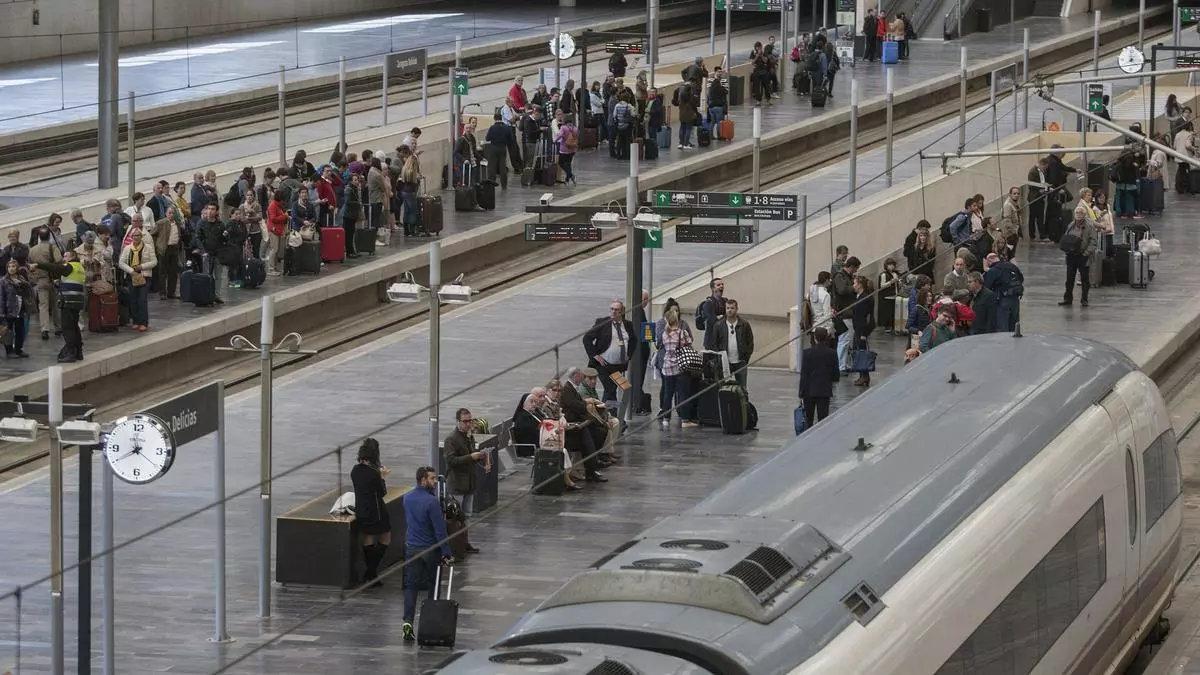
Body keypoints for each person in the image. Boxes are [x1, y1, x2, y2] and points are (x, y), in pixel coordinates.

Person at [400, 466, 453, 643]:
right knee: (434, 586)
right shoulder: (432, 502)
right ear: (423, 480)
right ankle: (429, 624)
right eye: (432, 479)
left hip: (412, 548)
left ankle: (407, 622)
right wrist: (446, 552)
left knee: (411, 586)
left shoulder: (407, 498)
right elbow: (440, 530)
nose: (435, 482)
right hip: (430, 549)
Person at [347, 437, 392, 587]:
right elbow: (382, 492)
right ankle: (371, 572)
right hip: (376, 510)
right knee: (385, 537)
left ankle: (370, 573)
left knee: (369, 538)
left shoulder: (355, 471)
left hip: (361, 509)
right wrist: (383, 476)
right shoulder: (374, 473)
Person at [582, 299, 638, 406]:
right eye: (612, 309)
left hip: (618, 366)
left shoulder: (628, 325)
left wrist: (628, 356)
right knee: (610, 388)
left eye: (616, 310)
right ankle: (612, 414)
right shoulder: (602, 323)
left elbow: (633, 340)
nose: (613, 312)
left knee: (611, 389)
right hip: (603, 364)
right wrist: (595, 355)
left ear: (622, 312)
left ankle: (605, 412)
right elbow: (587, 338)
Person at [32, 250, 85, 362]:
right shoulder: (79, 267)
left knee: (67, 327)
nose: (64, 258)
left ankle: (71, 352)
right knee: (75, 327)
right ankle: (78, 351)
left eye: (66, 256)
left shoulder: (69, 266)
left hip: (69, 301)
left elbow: (54, 267)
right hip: (78, 301)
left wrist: (38, 264)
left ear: (72, 257)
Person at [443, 408, 490, 528]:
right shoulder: (451, 439)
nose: (468, 424)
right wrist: (471, 456)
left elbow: (472, 454)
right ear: (458, 421)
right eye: (465, 421)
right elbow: (451, 461)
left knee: (467, 515)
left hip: (469, 483)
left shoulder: (469, 436)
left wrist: (481, 456)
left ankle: (464, 541)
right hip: (457, 484)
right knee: (455, 517)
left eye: (470, 421)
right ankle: (456, 543)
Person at [561, 368, 608, 482]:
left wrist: (584, 404)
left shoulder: (572, 388)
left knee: (600, 430)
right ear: (575, 376)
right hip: (572, 425)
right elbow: (576, 405)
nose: (582, 378)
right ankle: (591, 470)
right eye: (580, 376)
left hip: (579, 422)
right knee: (590, 438)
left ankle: (593, 465)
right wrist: (585, 404)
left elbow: (579, 404)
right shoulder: (567, 389)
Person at [656, 305, 699, 426]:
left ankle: (666, 419)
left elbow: (659, 344)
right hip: (680, 366)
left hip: (667, 366)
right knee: (683, 393)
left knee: (667, 394)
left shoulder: (664, 334)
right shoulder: (681, 332)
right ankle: (685, 419)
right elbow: (689, 342)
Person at [118, 220, 157, 332]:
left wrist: (142, 266)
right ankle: (136, 321)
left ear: (141, 236)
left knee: (142, 300)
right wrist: (131, 271)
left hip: (144, 276)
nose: (136, 238)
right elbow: (121, 263)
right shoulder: (127, 248)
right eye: (134, 236)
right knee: (133, 299)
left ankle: (143, 322)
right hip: (132, 276)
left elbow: (154, 262)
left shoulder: (148, 248)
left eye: (138, 236)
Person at [798, 326, 838, 427]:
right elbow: (836, 374)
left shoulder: (807, 353)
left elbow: (804, 374)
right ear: (826, 338)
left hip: (809, 391)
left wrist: (801, 392)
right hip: (824, 390)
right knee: (823, 421)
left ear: (815, 338)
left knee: (809, 420)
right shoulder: (832, 353)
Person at [1058, 209, 1097, 307]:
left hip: (1083, 255)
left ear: (1084, 215)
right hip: (1071, 255)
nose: (1079, 215)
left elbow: (1093, 242)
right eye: (1077, 213)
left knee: (1085, 279)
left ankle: (1084, 299)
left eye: (1081, 213)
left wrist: (1086, 254)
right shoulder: (1071, 225)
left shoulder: (1089, 226)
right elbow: (1066, 238)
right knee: (1069, 279)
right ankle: (1067, 299)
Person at [28, 228, 62, 340]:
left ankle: (44, 329)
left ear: (39, 237)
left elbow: (30, 265)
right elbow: (59, 261)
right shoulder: (52, 247)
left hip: (40, 280)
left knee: (43, 306)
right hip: (52, 279)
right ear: (49, 236)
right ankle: (58, 327)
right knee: (56, 305)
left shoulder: (32, 250)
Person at [714, 298, 754, 389]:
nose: (729, 310)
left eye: (732, 308)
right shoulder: (719, 325)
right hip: (725, 362)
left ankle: (743, 403)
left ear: (736, 309)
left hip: (740, 361)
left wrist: (745, 358)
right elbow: (715, 343)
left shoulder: (744, 324)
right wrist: (720, 360)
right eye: (727, 308)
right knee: (723, 388)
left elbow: (750, 342)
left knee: (742, 388)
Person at [830, 256, 859, 372]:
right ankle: (840, 366)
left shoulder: (847, 276)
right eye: (855, 269)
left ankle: (844, 364)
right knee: (844, 340)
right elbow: (841, 290)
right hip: (843, 312)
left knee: (848, 341)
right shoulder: (839, 276)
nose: (856, 271)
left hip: (848, 311)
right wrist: (853, 287)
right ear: (851, 267)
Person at [983, 251, 1024, 331]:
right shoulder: (1012, 266)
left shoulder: (993, 270)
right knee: (1014, 327)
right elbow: (1021, 279)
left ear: (989, 260)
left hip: (1002, 301)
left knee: (1002, 328)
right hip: (1015, 300)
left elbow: (986, 288)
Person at [1, 259, 32, 358]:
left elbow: (28, 293)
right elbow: (1, 297)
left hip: (20, 309)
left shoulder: (22, 279)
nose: (11, 269)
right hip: (9, 309)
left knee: (20, 331)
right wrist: (1, 313)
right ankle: (9, 351)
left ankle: (18, 349)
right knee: (8, 331)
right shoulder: (3, 281)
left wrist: (23, 284)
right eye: (9, 267)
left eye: (13, 266)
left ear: (17, 268)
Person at [149, 206, 182, 300]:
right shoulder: (161, 223)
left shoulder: (177, 223)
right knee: (162, 272)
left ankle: (171, 292)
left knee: (173, 272)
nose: (171, 215)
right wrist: (157, 245)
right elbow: (152, 234)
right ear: (166, 214)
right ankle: (162, 292)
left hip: (174, 248)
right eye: (170, 213)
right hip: (164, 249)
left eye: (173, 213)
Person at [484, 112, 521, 190]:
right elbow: (511, 139)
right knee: (502, 167)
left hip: (493, 148)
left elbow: (487, 138)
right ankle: (504, 185)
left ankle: (491, 184)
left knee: (492, 167)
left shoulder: (492, 127)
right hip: (503, 148)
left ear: (494, 118)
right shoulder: (506, 127)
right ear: (501, 118)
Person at [850, 275, 875, 387]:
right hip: (858, 328)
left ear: (860, 285)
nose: (853, 286)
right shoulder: (859, 296)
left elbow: (866, 317)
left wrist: (864, 333)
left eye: (854, 283)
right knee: (858, 351)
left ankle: (864, 375)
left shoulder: (865, 298)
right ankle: (862, 375)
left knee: (861, 351)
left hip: (861, 329)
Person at [697, 277, 726, 350]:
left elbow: (730, 317)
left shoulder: (725, 301)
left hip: (723, 339)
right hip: (711, 341)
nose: (721, 286)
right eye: (718, 285)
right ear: (713, 288)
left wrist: (720, 317)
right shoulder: (708, 303)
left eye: (722, 284)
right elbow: (712, 320)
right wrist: (722, 318)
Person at [554, 112, 579, 185]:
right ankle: (567, 180)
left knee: (561, 163)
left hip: (564, 148)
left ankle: (571, 175)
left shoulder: (563, 127)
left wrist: (555, 140)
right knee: (568, 164)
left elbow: (559, 135)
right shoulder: (575, 128)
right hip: (572, 149)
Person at [878, 258, 901, 335]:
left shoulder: (895, 274)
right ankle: (887, 327)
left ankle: (893, 327)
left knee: (893, 313)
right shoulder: (883, 274)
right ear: (886, 265)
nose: (892, 266)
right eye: (890, 265)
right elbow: (882, 286)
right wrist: (891, 282)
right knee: (887, 313)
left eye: (893, 265)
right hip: (887, 296)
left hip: (895, 295)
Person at [675, 81, 700, 149]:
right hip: (689, 114)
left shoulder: (681, 97)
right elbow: (694, 104)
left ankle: (681, 143)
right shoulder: (690, 97)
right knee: (688, 128)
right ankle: (686, 144)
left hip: (682, 114)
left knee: (682, 128)